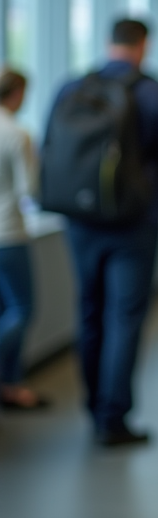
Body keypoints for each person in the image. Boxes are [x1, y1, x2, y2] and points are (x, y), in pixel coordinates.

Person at [49, 19, 158, 446]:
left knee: (89, 309)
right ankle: (112, 418)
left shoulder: (71, 88)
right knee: (126, 315)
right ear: (143, 46)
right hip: (135, 221)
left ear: (108, 42)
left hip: (79, 220)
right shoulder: (155, 92)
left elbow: (51, 149)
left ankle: (92, 403)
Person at [0, 69, 46, 410]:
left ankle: (11, 385)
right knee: (22, 309)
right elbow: (28, 190)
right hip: (9, 233)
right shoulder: (17, 134)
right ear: (16, 93)